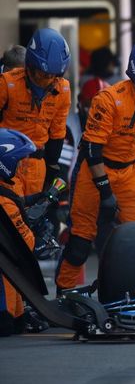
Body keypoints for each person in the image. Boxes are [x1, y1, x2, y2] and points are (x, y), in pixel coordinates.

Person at [55, 43, 135, 292]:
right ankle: (65, 294)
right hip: (94, 171)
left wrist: (133, 175)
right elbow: (91, 151)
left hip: (129, 173)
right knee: (80, 241)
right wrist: (106, 192)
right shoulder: (108, 100)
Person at [0, 28, 71, 198]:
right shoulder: (7, 83)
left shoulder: (63, 90)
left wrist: (53, 168)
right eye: (42, 74)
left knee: (34, 218)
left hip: (37, 166)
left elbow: (57, 133)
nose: (47, 80)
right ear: (30, 66)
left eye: (52, 76)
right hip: (6, 161)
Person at [0, 129, 38, 336]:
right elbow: (25, 242)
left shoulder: (8, 191)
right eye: (20, 161)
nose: (23, 166)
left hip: (11, 278)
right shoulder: (4, 200)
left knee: (16, 323)